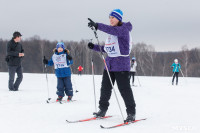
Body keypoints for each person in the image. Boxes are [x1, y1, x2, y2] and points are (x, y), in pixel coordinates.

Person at [88, 9, 136, 122]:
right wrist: (94, 47)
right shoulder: (111, 34)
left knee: (124, 90)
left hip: (121, 66)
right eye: (109, 18)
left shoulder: (123, 30)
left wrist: (97, 25)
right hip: (109, 65)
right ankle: (102, 109)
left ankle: (131, 113)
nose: (111, 20)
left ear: (119, 18)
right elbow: (107, 49)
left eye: (113, 18)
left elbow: (113, 30)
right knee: (105, 88)